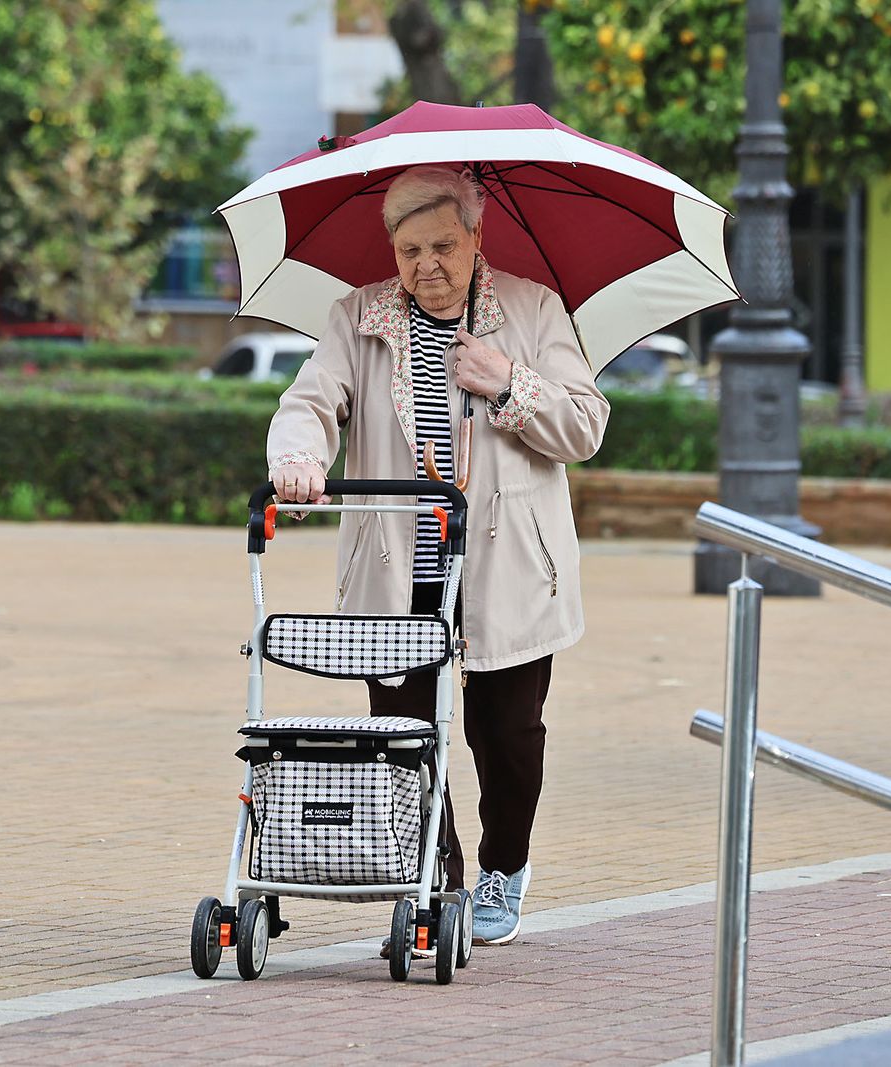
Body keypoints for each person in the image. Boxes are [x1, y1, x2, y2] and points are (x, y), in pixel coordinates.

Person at [266, 165, 610, 947]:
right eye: (410, 248)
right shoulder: (357, 316)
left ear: (476, 238)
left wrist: (508, 383)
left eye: (444, 245)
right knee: (403, 739)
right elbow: (311, 403)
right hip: (397, 565)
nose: (427, 265)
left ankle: (504, 863)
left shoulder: (530, 308)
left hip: (507, 563)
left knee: (508, 735)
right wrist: (298, 458)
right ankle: (436, 885)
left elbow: (586, 425)